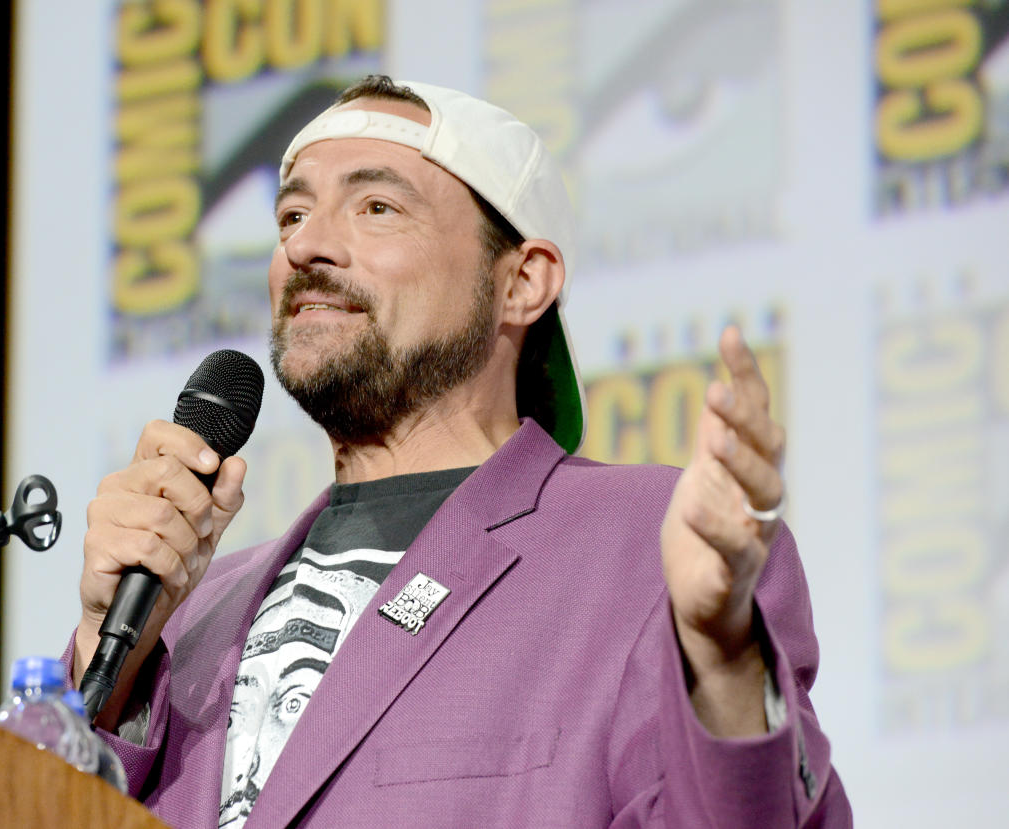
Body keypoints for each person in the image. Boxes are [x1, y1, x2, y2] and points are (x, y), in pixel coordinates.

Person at [66, 75, 853, 827]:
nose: (308, 246)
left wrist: (721, 663)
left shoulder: (652, 543)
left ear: (522, 282)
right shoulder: (191, 611)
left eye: (375, 206)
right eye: (291, 216)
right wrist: (112, 658)